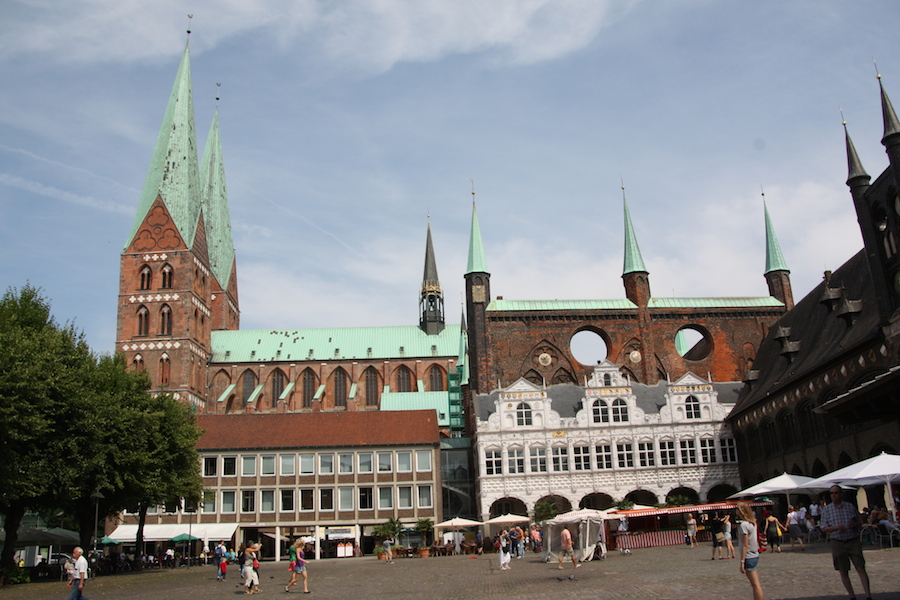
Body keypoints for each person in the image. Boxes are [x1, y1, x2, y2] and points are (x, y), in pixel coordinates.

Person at [820, 485, 872, 600]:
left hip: (852, 540)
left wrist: (855, 524)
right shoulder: (827, 510)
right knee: (843, 571)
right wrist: (835, 527)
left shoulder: (849, 507)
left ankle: (868, 596)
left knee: (860, 568)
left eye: (836, 493)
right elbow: (823, 528)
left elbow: (859, 522)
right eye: (832, 493)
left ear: (841, 494)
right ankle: (852, 596)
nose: (834, 495)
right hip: (837, 542)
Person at [737, 502, 764, 600]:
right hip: (755, 554)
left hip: (748, 556)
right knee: (756, 584)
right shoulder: (752, 522)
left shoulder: (744, 525)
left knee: (755, 585)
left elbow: (745, 544)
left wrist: (742, 561)